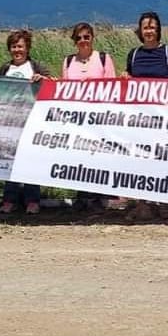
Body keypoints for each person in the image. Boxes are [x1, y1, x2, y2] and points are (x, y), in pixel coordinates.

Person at [123, 11, 168, 220]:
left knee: (163, 158)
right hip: (140, 118)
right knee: (140, 159)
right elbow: (129, 78)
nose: (149, 31)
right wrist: (125, 77)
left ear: (158, 29)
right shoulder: (134, 54)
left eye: (152, 27)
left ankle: (164, 202)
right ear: (140, 31)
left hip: (164, 117)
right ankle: (142, 203)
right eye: (145, 27)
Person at [0, 29, 52, 214]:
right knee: (9, 160)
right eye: (13, 47)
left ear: (27, 48)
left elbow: (53, 84)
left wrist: (43, 79)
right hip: (9, 120)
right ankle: (9, 199)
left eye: (20, 46)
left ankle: (32, 199)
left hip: (31, 120)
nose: (17, 50)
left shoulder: (35, 67)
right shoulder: (5, 69)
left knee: (31, 159)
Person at [61, 22, 117, 211]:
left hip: (100, 116)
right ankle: (82, 194)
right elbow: (64, 88)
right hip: (77, 116)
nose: (83, 40)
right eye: (79, 38)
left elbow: (113, 86)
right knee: (80, 155)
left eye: (86, 36)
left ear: (92, 38)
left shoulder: (103, 58)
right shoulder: (68, 61)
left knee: (99, 155)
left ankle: (100, 195)